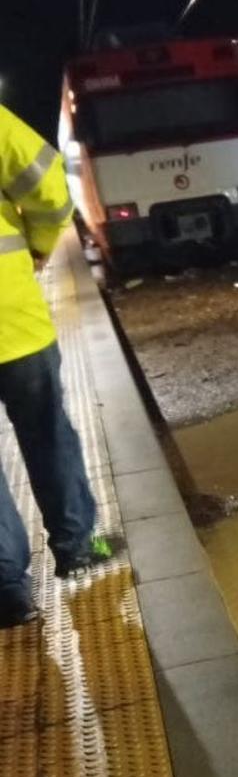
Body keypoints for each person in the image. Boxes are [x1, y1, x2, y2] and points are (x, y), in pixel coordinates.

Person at [1, 102, 109, 632]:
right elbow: (49, 190)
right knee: (46, 431)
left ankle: (6, 590)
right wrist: (40, 249)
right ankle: (75, 549)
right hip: (12, 318)